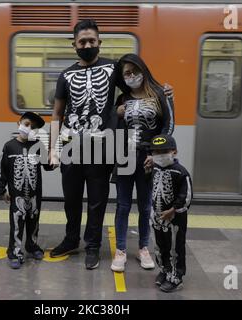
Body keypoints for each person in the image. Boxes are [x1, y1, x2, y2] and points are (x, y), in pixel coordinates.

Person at [48, 19, 174, 270]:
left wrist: (162, 90)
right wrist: (52, 148)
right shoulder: (65, 76)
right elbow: (56, 115)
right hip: (71, 145)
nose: (87, 45)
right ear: (74, 44)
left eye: (92, 41)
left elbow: (137, 84)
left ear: (99, 43)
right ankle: (71, 239)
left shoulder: (112, 69)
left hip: (102, 147)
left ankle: (92, 246)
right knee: (71, 199)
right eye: (82, 41)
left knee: (97, 200)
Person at [110, 53, 175, 272]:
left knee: (146, 206)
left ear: (143, 70)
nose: (131, 76)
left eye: (134, 71)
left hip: (148, 157)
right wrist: (115, 114)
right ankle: (120, 250)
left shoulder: (159, 94)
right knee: (123, 205)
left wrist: (156, 154)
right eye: (126, 73)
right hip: (125, 155)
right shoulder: (122, 99)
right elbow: (109, 127)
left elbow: (168, 125)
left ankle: (143, 248)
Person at [0, 111, 53, 269]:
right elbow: (2, 169)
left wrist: (54, 157)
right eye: (27, 124)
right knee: (17, 223)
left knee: (34, 222)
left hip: (35, 195)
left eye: (33, 128)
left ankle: (32, 245)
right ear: (19, 123)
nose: (29, 129)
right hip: (17, 195)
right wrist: (2, 189)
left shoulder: (38, 146)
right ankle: (14, 252)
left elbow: (47, 166)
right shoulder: (9, 146)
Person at [148, 134, 192, 293]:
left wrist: (173, 210)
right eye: (156, 152)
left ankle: (176, 276)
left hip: (174, 218)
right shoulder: (154, 168)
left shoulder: (181, 172)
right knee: (160, 246)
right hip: (157, 216)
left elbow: (186, 197)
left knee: (175, 247)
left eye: (164, 151)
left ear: (174, 151)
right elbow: (153, 190)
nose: (159, 155)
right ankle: (165, 270)